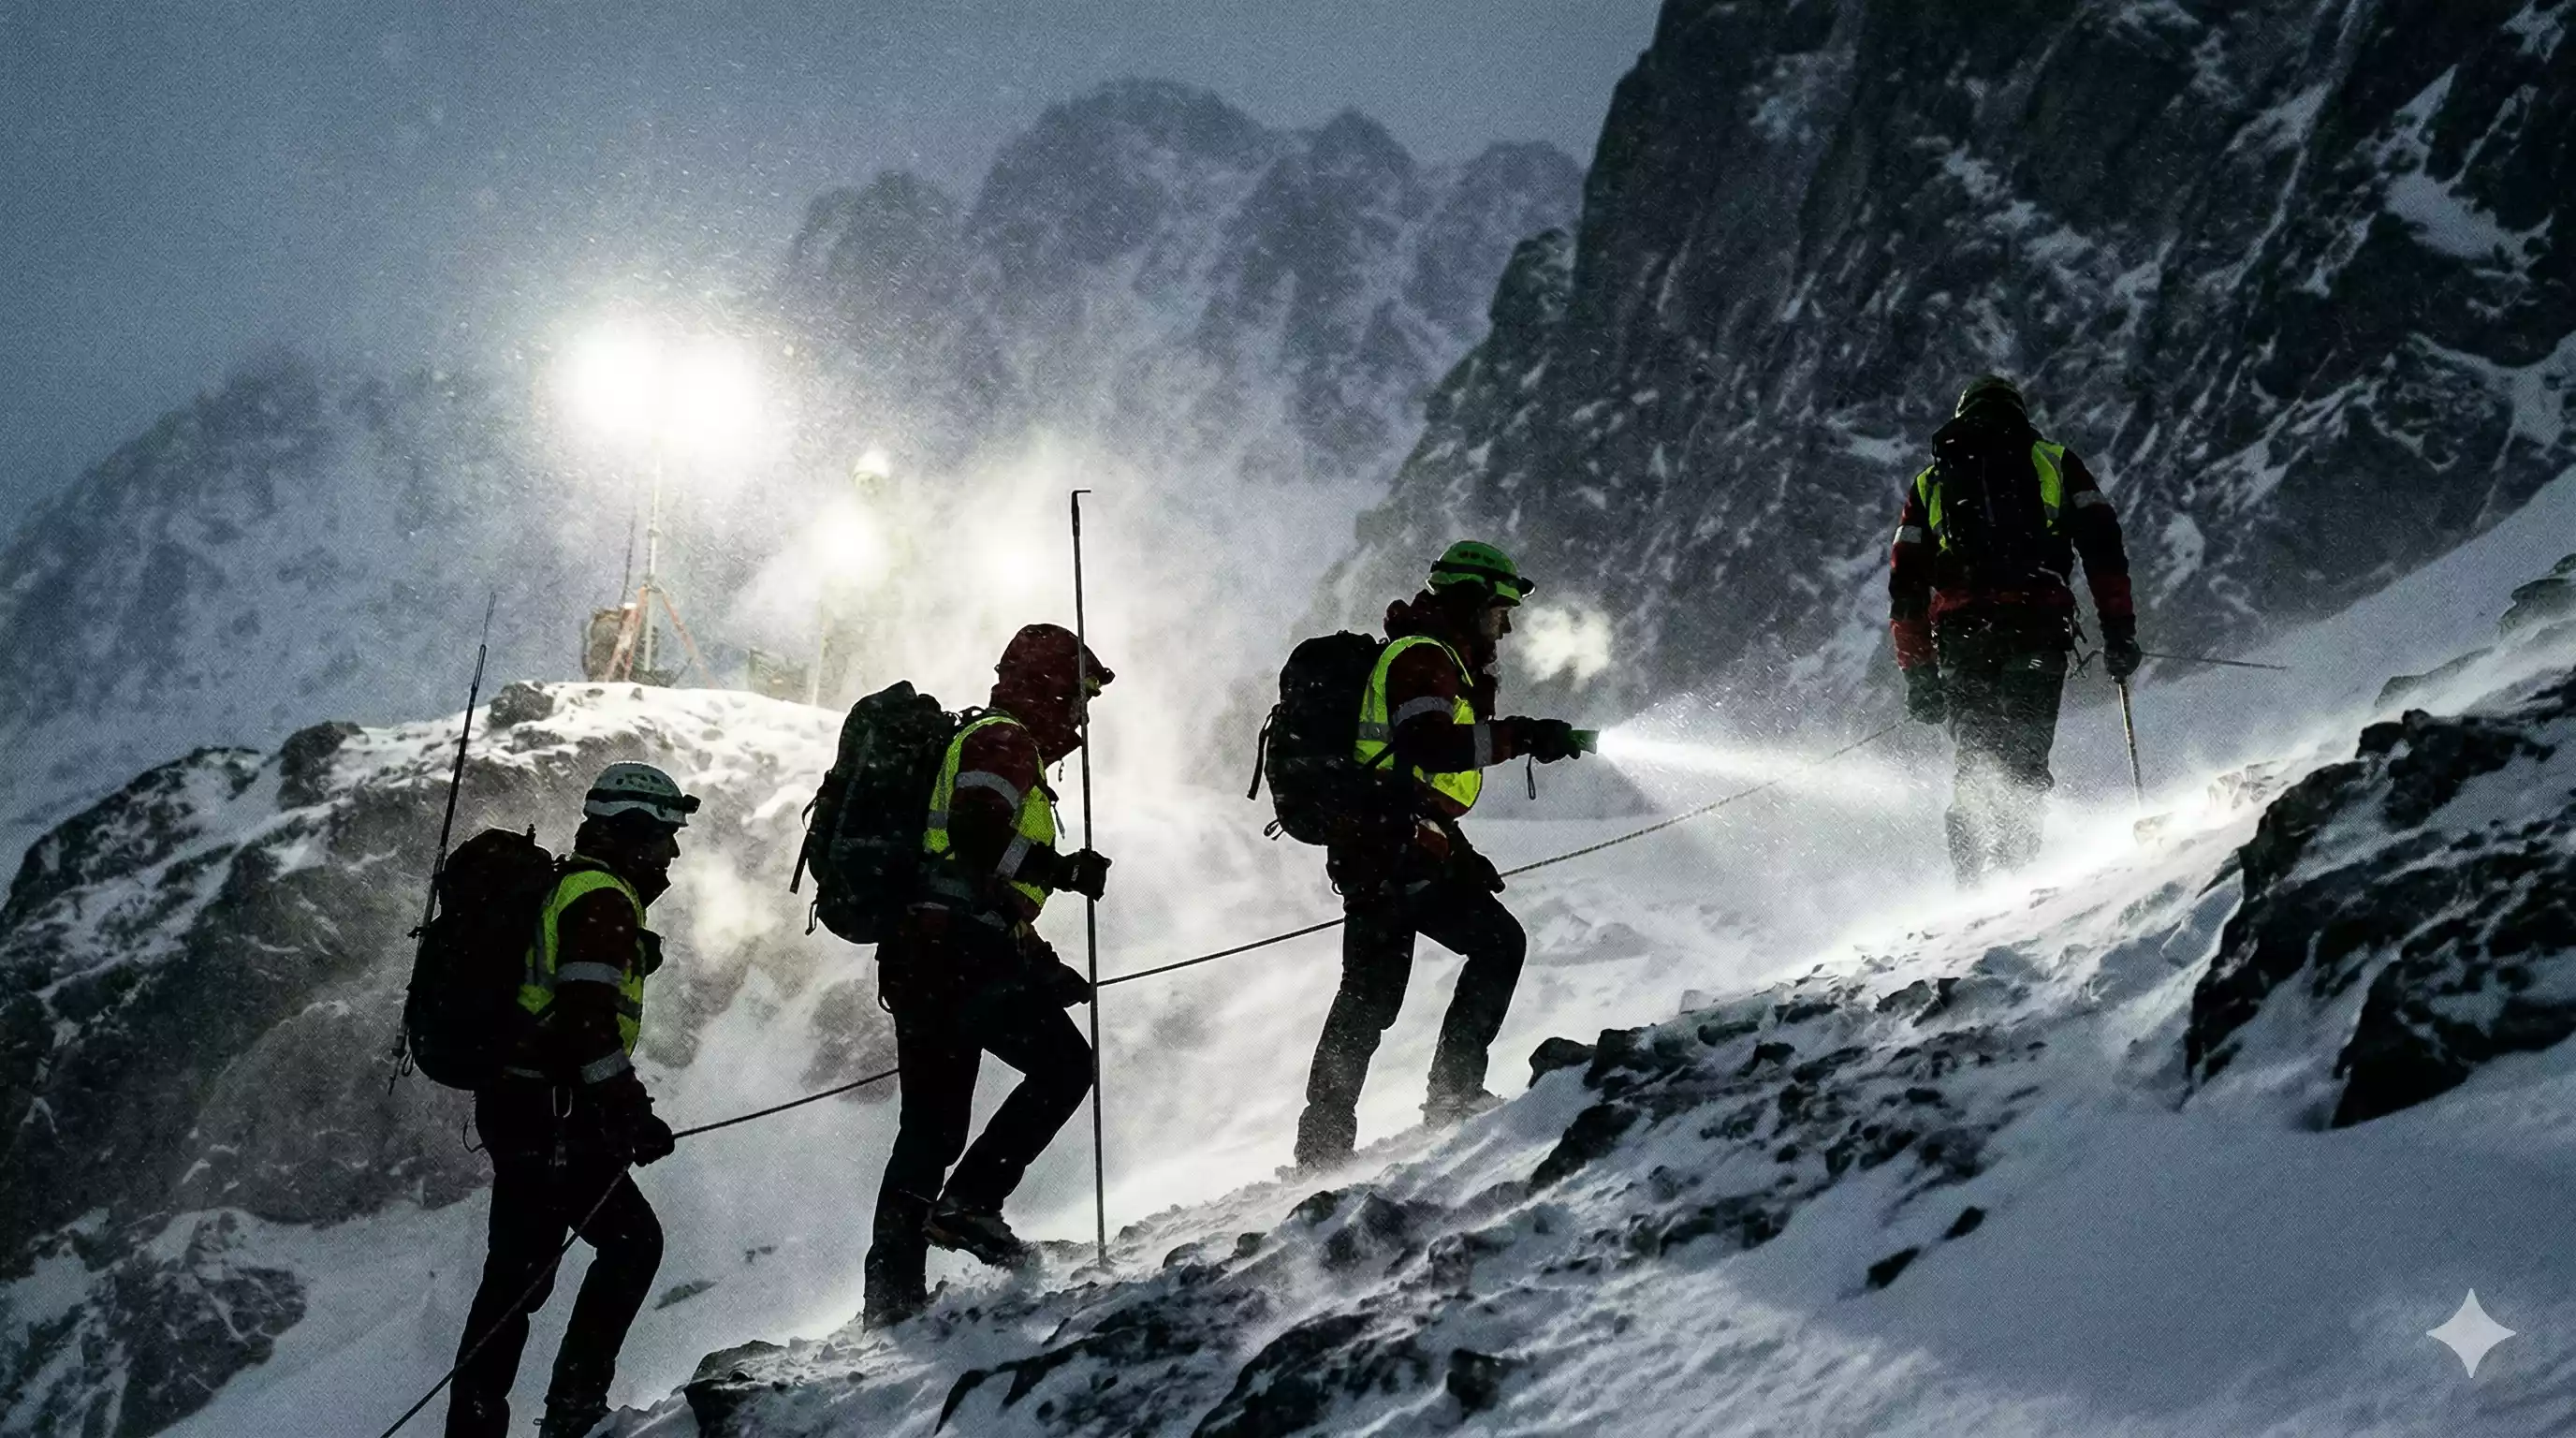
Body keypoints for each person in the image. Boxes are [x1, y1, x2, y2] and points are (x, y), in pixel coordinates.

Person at [1291, 541, 1589, 1172]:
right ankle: (1450, 1096)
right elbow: (1431, 746)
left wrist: (1461, 851)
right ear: (1472, 600)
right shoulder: (1424, 658)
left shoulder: (1433, 655)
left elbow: (1404, 777)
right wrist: (1526, 735)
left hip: (1384, 845)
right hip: (1392, 849)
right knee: (1496, 944)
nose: (1506, 624)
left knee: (1368, 999)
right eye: (1500, 608)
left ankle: (1321, 1148)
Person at [863, 623, 1116, 1328]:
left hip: (923, 955)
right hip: (960, 954)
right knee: (1065, 1067)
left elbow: (963, 870)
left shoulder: (991, 739)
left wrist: (1039, 962)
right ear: (1049, 686)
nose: (1081, 716)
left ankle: (890, 1297)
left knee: (930, 1131)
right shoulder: (1004, 740)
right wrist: (1061, 871)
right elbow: (977, 836)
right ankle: (973, 1202)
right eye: (1079, 696)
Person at [447, 762, 696, 1438]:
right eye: (665, 837)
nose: (672, 855)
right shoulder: (602, 901)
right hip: (553, 1117)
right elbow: (588, 1021)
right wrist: (632, 1113)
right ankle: (573, 1408)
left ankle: (481, 1427)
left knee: (516, 1281)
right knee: (629, 1244)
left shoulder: (569, 887)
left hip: (522, 1107)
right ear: (632, 832)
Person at [1889, 374, 2138, 886]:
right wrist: (2118, 632)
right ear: (2020, 414)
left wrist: (1919, 673)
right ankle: (2015, 881)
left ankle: (1972, 884)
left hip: (1963, 639)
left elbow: (1905, 586)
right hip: (2036, 627)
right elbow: (2103, 550)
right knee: (2025, 753)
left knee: (1978, 757)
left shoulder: (1931, 482)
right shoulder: (2053, 460)